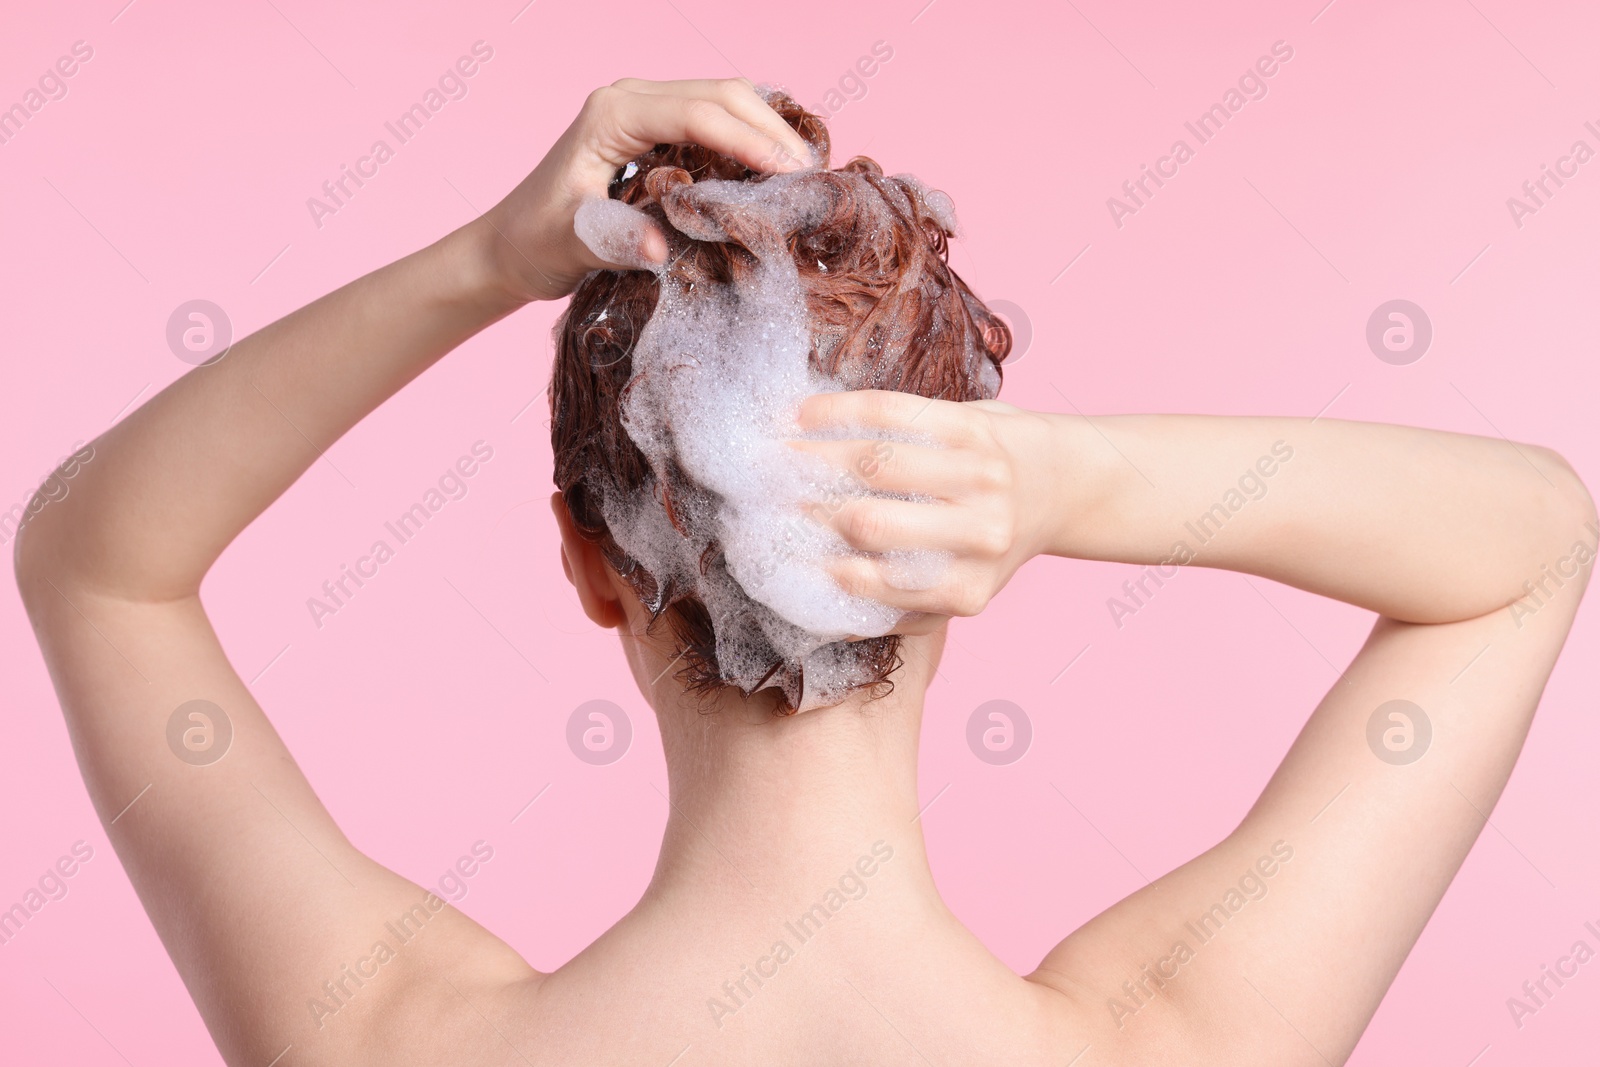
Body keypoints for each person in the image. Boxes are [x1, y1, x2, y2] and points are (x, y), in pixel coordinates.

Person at [13, 78, 1595, 1067]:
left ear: (586, 561)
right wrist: (1070, 482)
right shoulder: (1186, 1038)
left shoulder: (379, 1034)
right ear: (961, 559)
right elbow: (1529, 542)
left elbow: (95, 562)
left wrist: (486, 262)